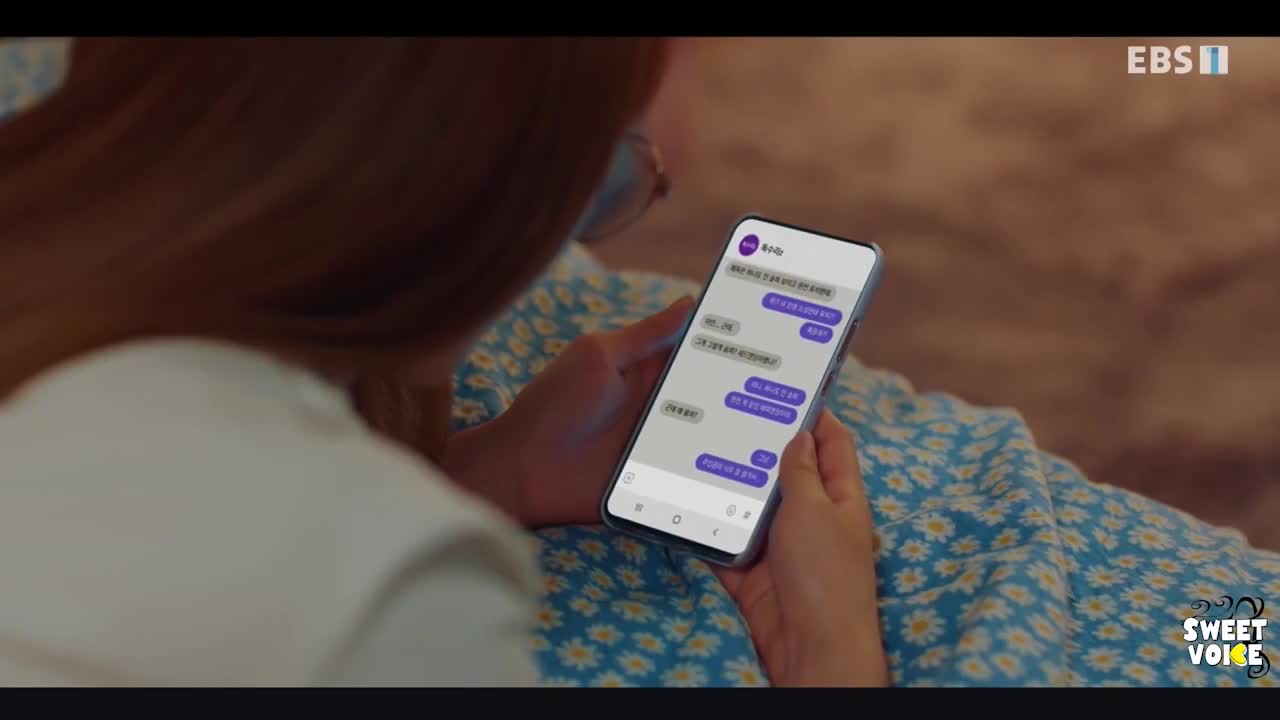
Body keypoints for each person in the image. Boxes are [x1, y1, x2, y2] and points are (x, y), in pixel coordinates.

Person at [0, 38, 887, 686]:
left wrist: (492, 470)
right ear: (469, 191)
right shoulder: (399, 591)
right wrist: (833, 658)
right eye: (616, 184)